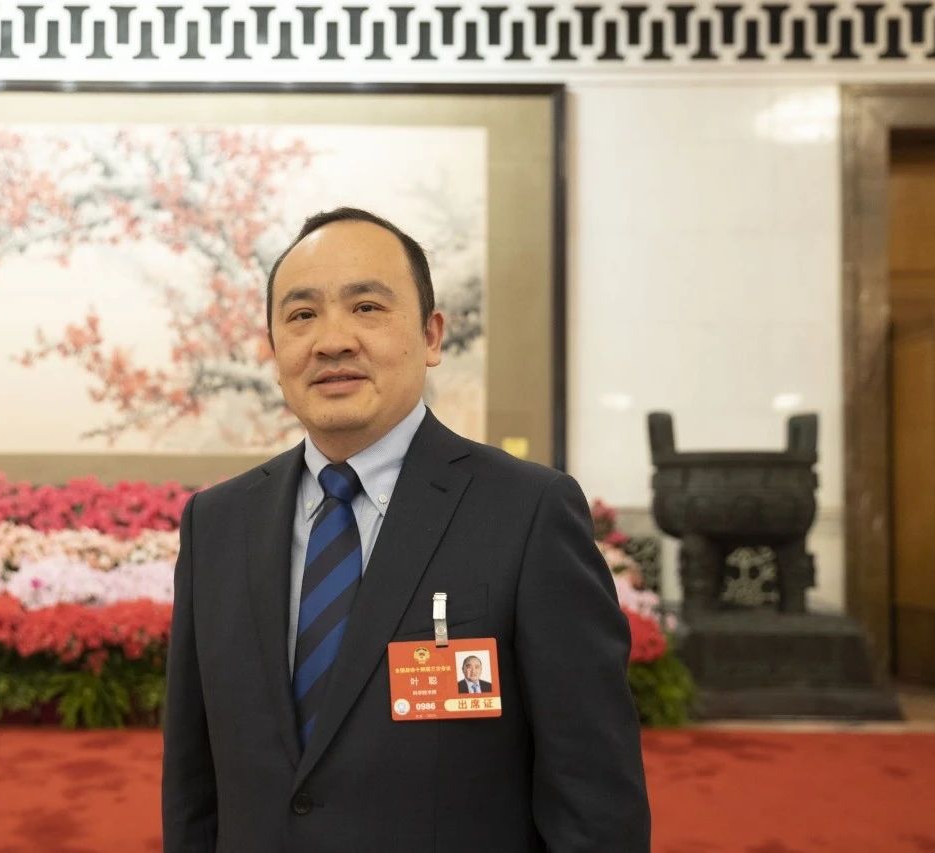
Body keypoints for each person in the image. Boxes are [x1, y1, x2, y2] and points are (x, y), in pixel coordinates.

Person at [162, 207, 650, 852]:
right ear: (274, 352)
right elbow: (194, 783)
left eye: (366, 307)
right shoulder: (218, 525)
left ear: (431, 336)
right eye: (302, 315)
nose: (331, 341)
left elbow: (594, 797)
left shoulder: (527, 513)